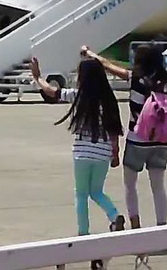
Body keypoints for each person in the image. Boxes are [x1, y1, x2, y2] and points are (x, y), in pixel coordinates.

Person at [31, 56, 125, 240]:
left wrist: (38, 78)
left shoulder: (78, 96)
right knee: (96, 191)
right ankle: (114, 215)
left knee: (81, 194)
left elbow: (52, 92)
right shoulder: (108, 99)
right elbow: (114, 130)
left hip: (82, 153)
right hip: (103, 153)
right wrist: (115, 152)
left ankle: (83, 233)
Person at [83, 44, 167, 229]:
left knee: (130, 185)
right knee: (158, 187)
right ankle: (162, 227)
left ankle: (136, 226)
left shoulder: (135, 78)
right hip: (160, 141)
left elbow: (106, 64)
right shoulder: (164, 81)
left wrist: (89, 53)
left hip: (137, 139)